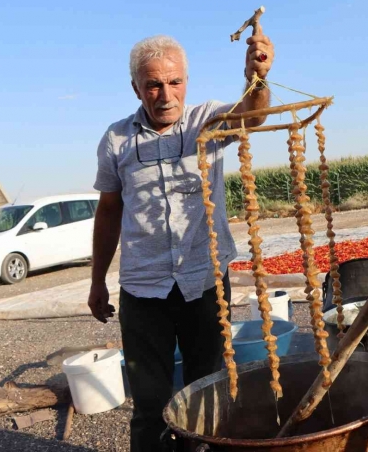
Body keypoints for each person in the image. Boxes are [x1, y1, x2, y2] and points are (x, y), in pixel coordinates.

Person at [88, 31, 274, 452]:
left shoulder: (206, 121)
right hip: (142, 289)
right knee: (150, 403)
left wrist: (258, 79)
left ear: (186, 81)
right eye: (153, 84)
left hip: (204, 282)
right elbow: (109, 212)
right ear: (136, 87)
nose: (165, 94)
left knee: (209, 394)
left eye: (174, 82)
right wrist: (97, 281)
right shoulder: (117, 139)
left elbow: (254, 115)